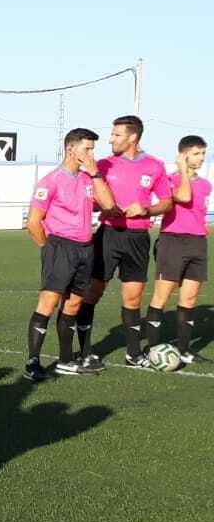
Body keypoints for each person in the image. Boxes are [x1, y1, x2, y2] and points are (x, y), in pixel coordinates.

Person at [81, 115, 171, 368]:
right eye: (112, 134)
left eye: (116, 135)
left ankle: (133, 354)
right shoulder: (103, 165)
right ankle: (83, 351)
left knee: (132, 299)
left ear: (133, 137)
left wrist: (147, 209)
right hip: (108, 235)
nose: (111, 139)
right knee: (92, 293)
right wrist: (102, 206)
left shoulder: (154, 165)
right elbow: (91, 198)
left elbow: (166, 201)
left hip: (138, 238)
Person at [24, 128, 114, 381]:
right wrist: (48, 249)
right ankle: (33, 362)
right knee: (49, 303)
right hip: (60, 247)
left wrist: (95, 172)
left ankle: (65, 360)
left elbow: (108, 205)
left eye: (92, 149)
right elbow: (33, 222)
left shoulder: (88, 180)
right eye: (87, 148)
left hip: (86, 249)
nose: (91, 154)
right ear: (70, 148)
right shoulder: (50, 181)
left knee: (73, 304)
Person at [146, 135, 207, 363]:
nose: (201, 158)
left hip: (198, 242)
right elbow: (184, 197)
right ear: (183, 155)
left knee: (190, 299)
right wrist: (182, 171)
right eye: (196, 153)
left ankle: (184, 350)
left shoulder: (206, 184)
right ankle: (152, 349)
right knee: (162, 296)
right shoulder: (170, 181)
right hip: (172, 241)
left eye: (203, 153)